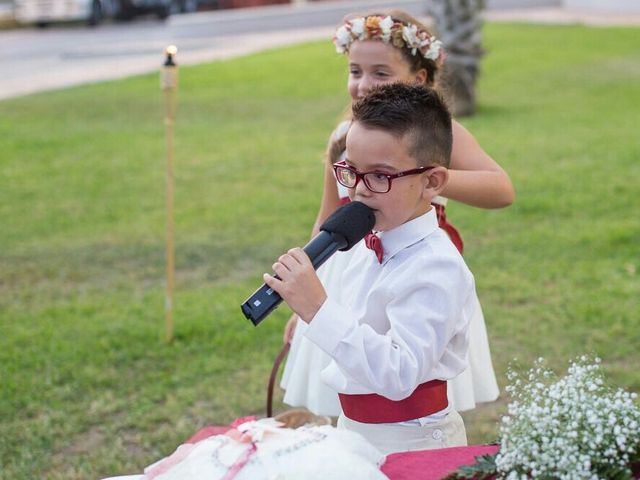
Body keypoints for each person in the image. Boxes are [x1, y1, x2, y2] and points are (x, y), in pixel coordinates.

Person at [280, 10, 514, 417]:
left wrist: (422, 179)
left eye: (381, 73)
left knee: (409, 374)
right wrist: (308, 296)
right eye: (355, 70)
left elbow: (501, 188)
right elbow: (326, 216)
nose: (364, 83)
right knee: (347, 384)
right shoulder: (343, 136)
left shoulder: (440, 134)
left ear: (418, 78)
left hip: (411, 266)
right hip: (349, 271)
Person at [264, 82, 474, 455]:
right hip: (355, 433)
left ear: (431, 181)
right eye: (351, 171)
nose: (359, 190)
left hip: (414, 443)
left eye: (380, 176)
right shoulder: (363, 240)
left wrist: (318, 309)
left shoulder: (436, 266)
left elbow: (400, 373)